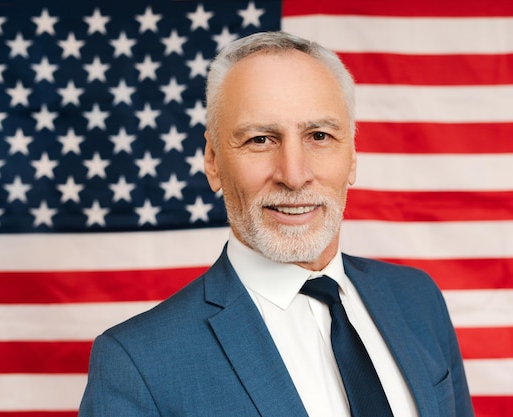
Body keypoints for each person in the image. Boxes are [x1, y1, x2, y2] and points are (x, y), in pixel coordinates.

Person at [79, 31, 474, 417]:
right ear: (213, 161)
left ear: (352, 156)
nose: (294, 175)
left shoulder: (417, 299)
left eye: (319, 135)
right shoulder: (139, 363)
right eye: (260, 140)